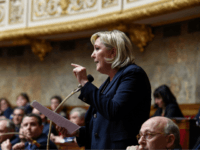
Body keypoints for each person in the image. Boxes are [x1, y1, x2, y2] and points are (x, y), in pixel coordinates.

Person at [57, 30, 152, 149]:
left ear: (113, 52)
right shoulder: (107, 83)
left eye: (97, 49)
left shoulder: (133, 74)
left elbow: (114, 111)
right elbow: (100, 128)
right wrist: (77, 131)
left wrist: (85, 82)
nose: (92, 55)